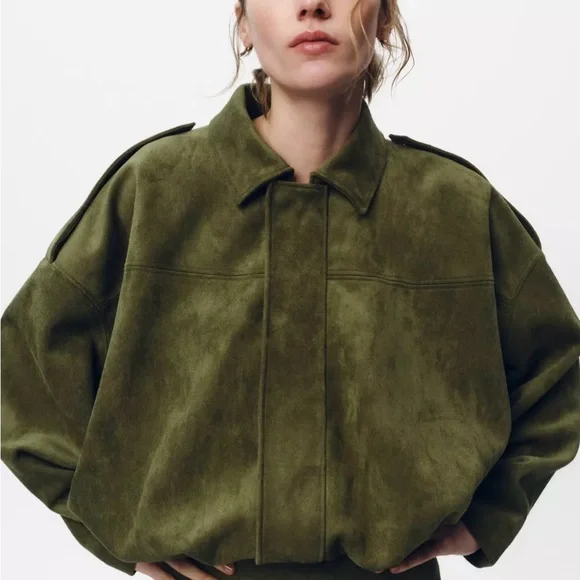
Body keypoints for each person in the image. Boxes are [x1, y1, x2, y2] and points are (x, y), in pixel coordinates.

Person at [2, 1, 580, 579]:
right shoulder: (155, 190)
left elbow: (563, 370)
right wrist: (113, 531)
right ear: (244, 22)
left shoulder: (455, 207)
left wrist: (490, 514)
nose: (312, 5)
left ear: (384, 17)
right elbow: (19, 372)